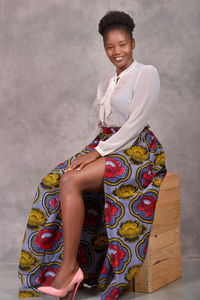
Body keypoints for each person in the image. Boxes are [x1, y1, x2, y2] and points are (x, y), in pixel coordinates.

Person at [18, 10, 167, 300]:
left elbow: (135, 124)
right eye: (110, 47)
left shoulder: (146, 72)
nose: (116, 52)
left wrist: (98, 152)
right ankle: (58, 266)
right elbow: (105, 124)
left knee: (72, 182)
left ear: (133, 44)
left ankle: (69, 269)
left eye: (122, 45)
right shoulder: (105, 82)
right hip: (106, 142)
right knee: (56, 179)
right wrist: (96, 148)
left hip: (137, 148)